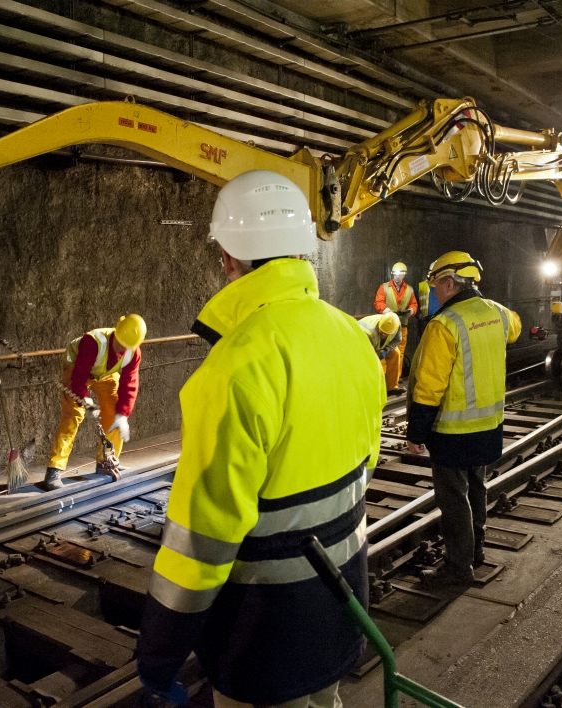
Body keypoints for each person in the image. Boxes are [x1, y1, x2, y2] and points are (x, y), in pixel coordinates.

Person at [135, 170, 385, 708]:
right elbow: (367, 461)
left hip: (266, 633)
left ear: (228, 258)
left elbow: (200, 545)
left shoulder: (232, 368)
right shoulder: (350, 336)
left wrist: (159, 655)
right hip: (343, 600)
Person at [405, 251, 520, 588]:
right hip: (488, 427)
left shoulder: (444, 325)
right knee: (477, 490)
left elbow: (428, 387)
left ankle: (457, 568)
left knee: (454, 500)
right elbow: (516, 326)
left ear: (451, 283)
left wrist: (416, 432)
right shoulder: (498, 314)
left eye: (436, 286)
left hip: (452, 432)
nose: (434, 293)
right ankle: (476, 551)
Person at [43, 314, 146, 490]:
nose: (122, 349)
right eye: (120, 344)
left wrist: (123, 415)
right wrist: (85, 400)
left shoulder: (133, 351)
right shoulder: (93, 342)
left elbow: (130, 384)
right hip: (77, 367)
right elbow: (78, 379)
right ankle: (54, 469)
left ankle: (105, 462)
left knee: (115, 413)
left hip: (104, 372)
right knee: (73, 415)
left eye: (127, 346)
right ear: (116, 335)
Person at [373, 262, 417, 395]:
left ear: (404, 275)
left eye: (400, 275)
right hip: (386, 326)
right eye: (395, 275)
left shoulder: (409, 289)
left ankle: (393, 383)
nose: (397, 277)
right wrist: (387, 311)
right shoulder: (384, 287)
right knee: (383, 354)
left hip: (402, 325)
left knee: (399, 353)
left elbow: (413, 304)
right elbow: (378, 302)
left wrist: (410, 311)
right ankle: (382, 383)